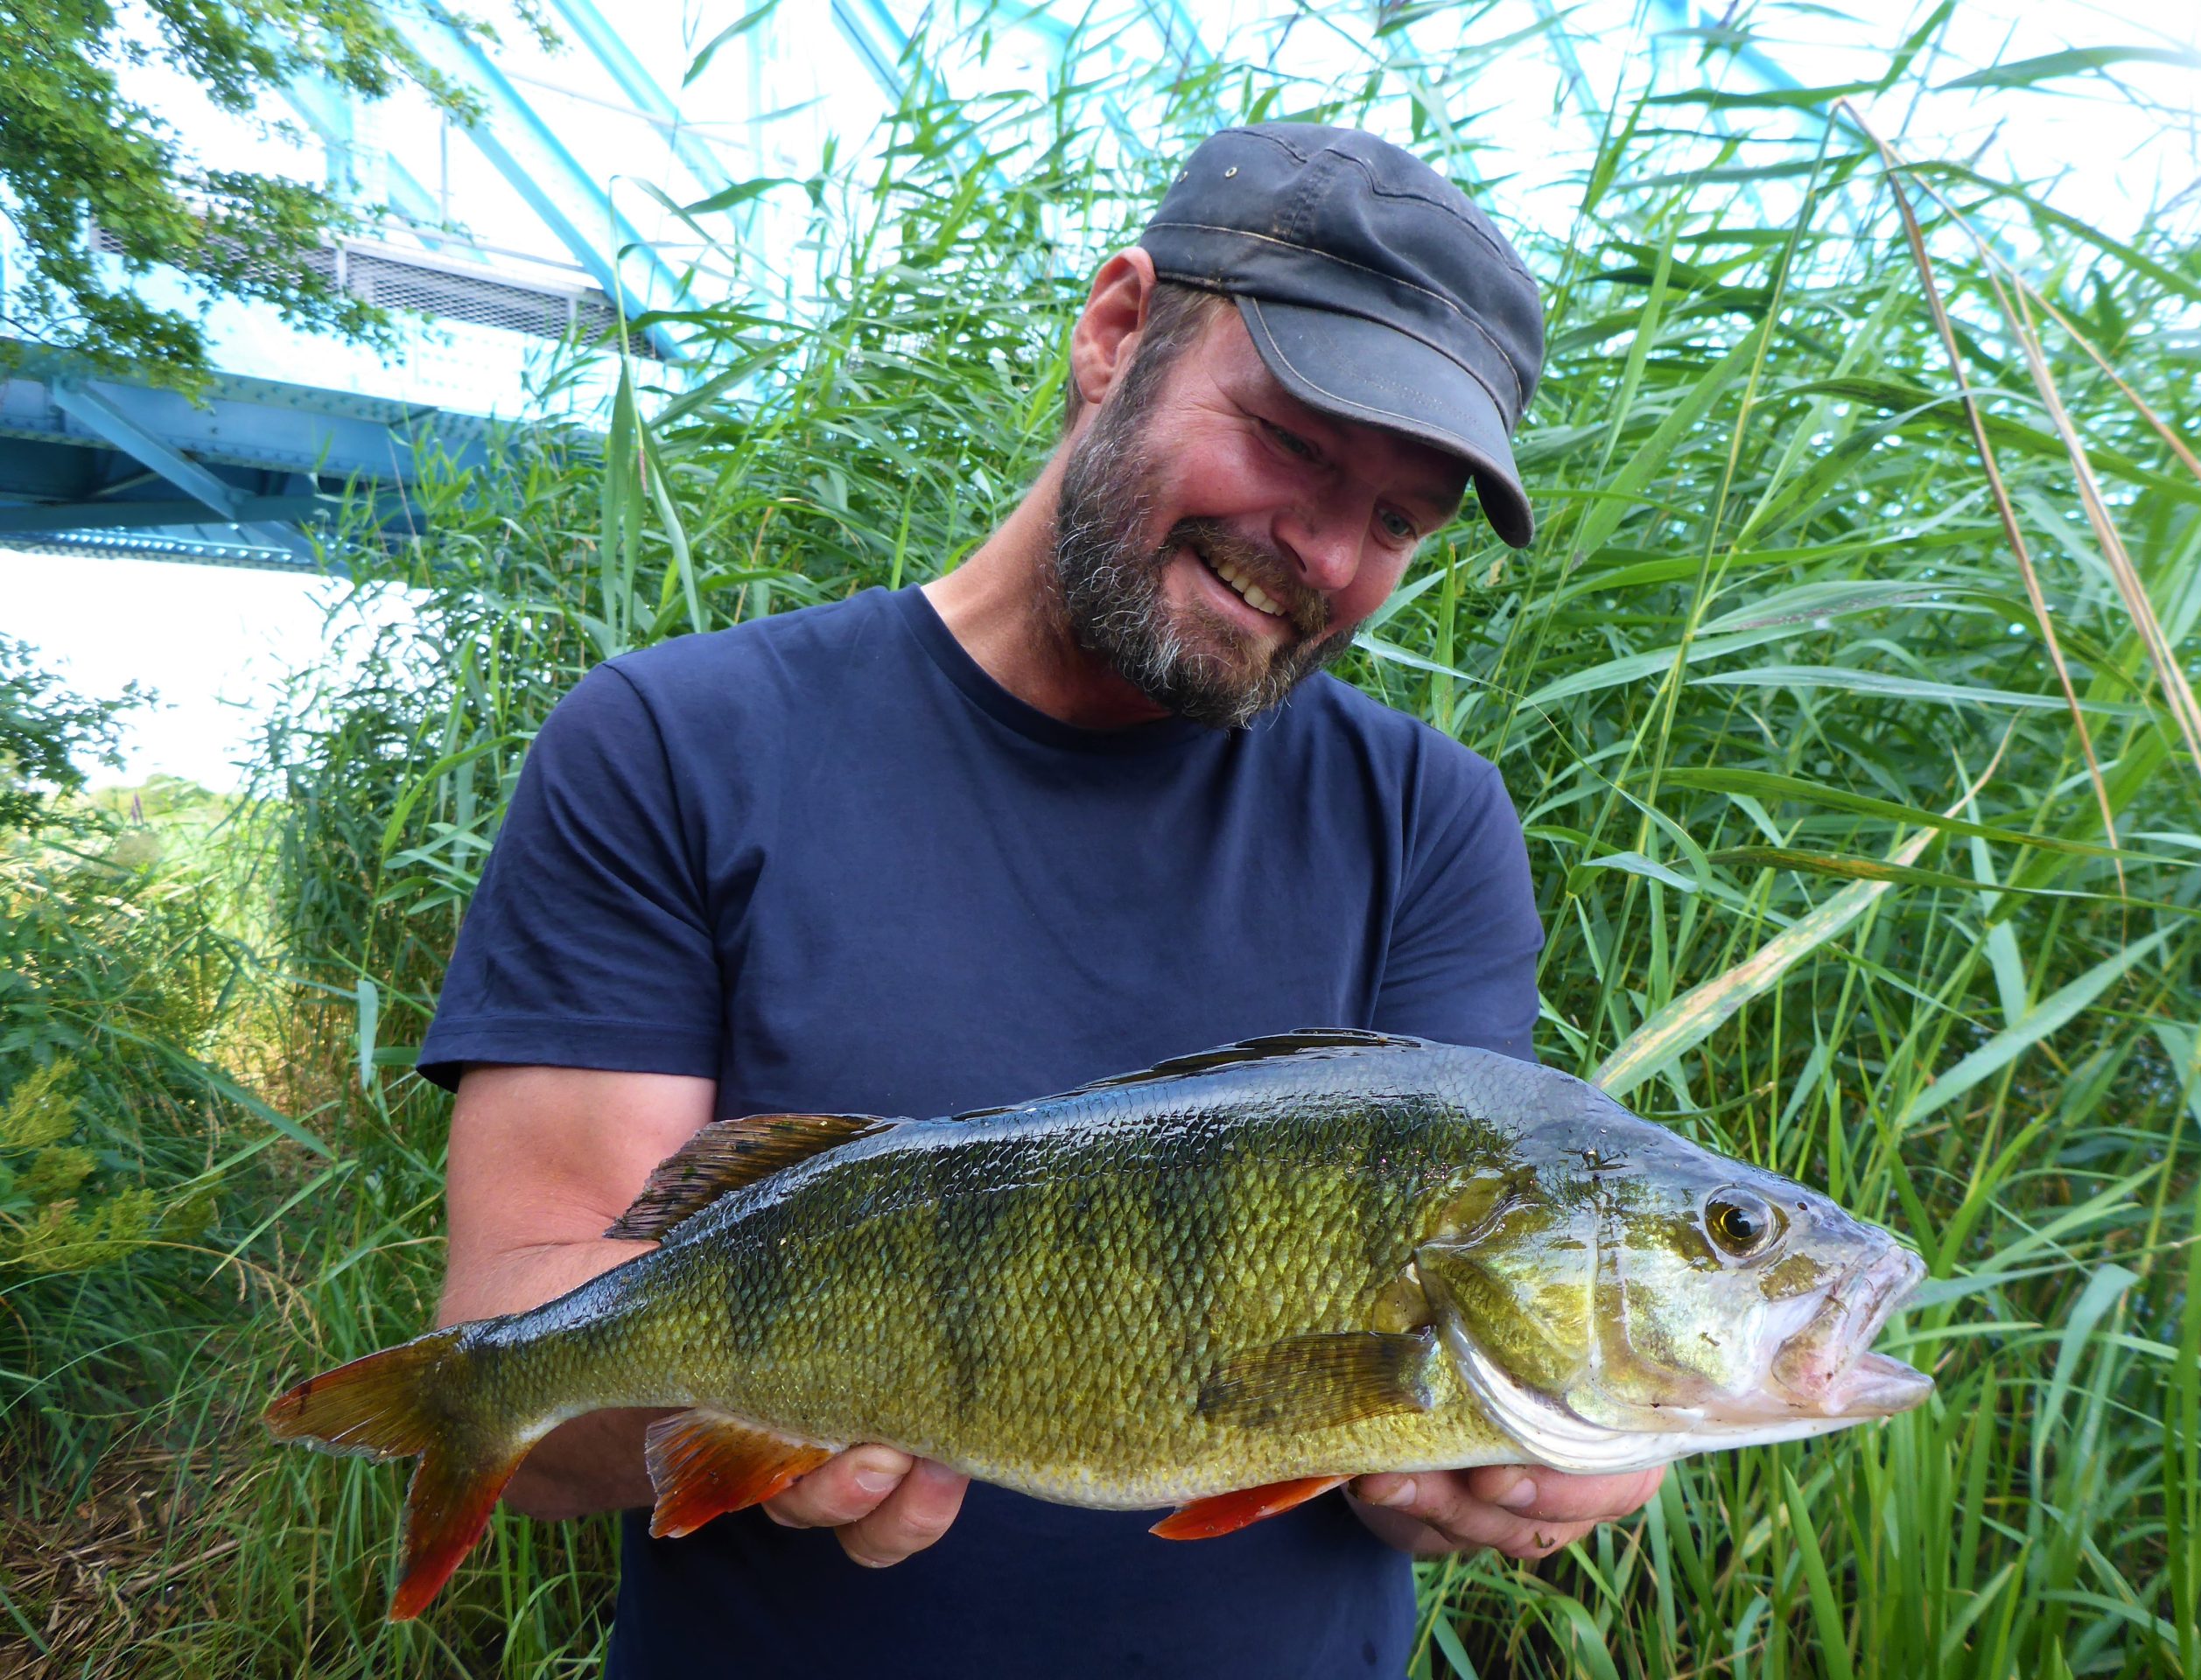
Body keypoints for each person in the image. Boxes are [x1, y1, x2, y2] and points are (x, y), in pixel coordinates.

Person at [417, 122, 1663, 1678]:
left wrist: (1528, 1462)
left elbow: (1416, 1416)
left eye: (1401, 522)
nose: (1328, 552)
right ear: (1117, 328)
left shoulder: (1429, 820)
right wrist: (747, 1405)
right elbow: (522, 1396)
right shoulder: (680, 744)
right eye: (1292, 441)